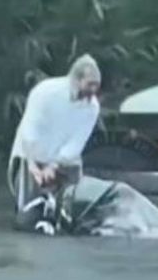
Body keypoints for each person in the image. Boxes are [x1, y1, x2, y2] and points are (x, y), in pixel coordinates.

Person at [7, 54, 101, 233]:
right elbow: (30, 130)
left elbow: (76, 143)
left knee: (72, 207)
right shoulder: (46, 92)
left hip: (64, 158)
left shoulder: (92, 107)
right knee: (29, 210)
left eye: (96, 85)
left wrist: (54, 166)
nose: (93, 90)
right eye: (90, 84)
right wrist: (35, 167)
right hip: (31, 152)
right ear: (77, 79)